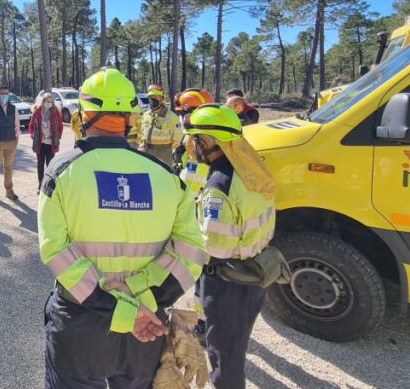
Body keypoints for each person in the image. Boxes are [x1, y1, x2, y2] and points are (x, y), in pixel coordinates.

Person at [38, 68, 208, 389]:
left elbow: (55, 250)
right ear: (130, 115)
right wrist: (143, 303)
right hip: (146, 327)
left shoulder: (62, 171)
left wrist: (119, 308)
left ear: (85, 113)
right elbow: (191, 250)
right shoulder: (167, 176)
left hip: (81, 322)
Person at [183, 103, 276, 389]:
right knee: (236, 344)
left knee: (223, 354)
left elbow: (216, 249)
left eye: (195, 139)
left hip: (227, 283)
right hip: (255, 271)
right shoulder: (252, 171)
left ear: (208, 142)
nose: (191, 145)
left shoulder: (218, 187)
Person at [137, 85, 182, 166]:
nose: (152, 99)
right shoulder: (146, 115)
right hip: (146, 150)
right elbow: (143, 133)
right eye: (150, 97)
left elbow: (177, 138)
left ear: (162, 98)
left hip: (163, 153)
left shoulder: (172, 117)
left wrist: (166, 149)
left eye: (155, 96)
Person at [28, 92, 63, 189]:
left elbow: (60, 126)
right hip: (40, 143)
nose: (50, 103)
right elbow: (31, 126)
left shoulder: (55, 112)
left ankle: (48, 185)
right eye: (48, 101)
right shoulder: (37, 112)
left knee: (50, 165)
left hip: (51, 144)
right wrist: (33, 136)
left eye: (51, 102)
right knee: (40, 165)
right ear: (43, 101)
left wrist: (57, 137)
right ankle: (40, 185)